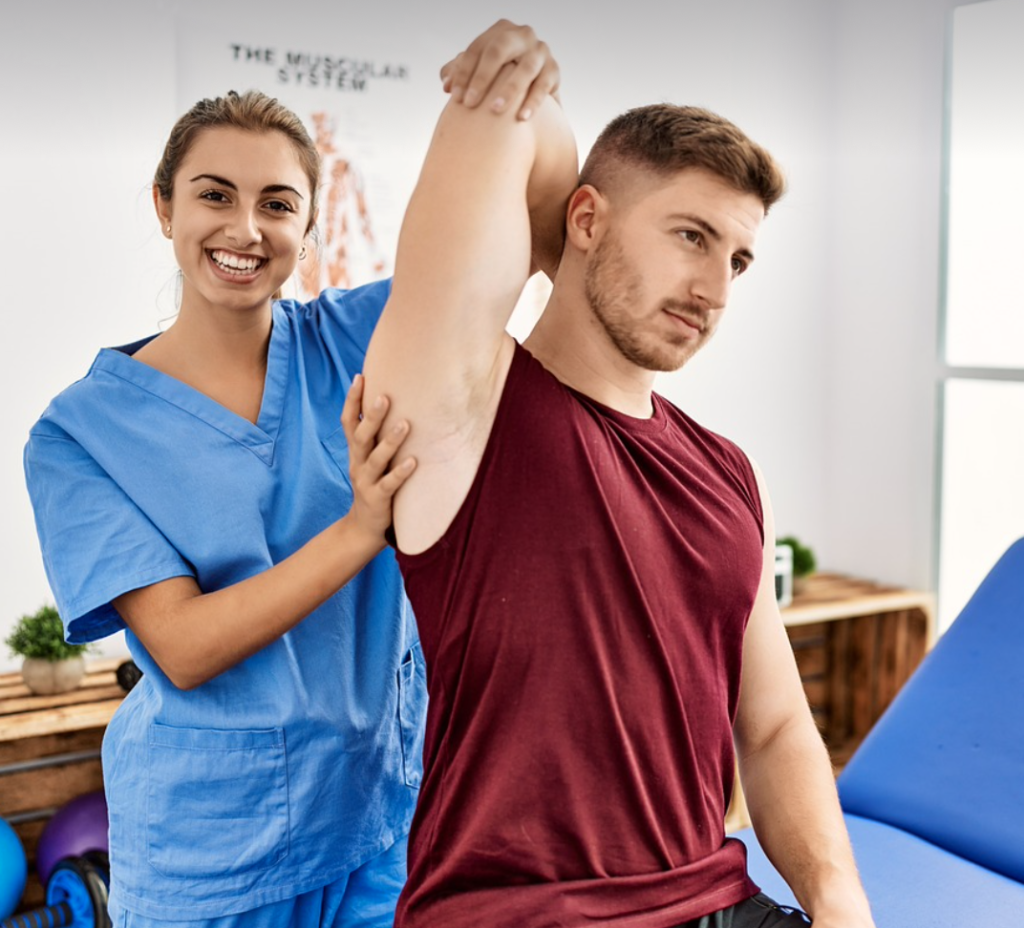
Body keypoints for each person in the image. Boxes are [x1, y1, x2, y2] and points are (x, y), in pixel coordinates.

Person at [22, 21, 560, 928]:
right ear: (164, 207)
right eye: (214, 195)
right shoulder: (79, 435)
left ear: (310, 225)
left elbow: (541, 241)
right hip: (210, 857)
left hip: (381, 818)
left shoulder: (360, 339)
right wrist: (361, 528)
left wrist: (532, 106)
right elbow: (185, 649)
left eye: (277, 203)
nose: (245, 228)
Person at [361, 22, 879, 928]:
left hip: (719, 899)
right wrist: (537, 92)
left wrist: (840, 905)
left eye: (739, 259)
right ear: (587, 218)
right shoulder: (468, 410)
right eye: (691, 235)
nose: (716, 290)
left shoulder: (725, 471)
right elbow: (497, 136)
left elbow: (773, 725)